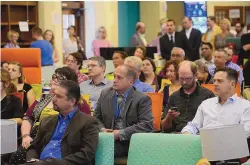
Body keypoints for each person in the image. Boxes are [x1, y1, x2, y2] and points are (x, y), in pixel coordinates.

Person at [10, 67, 91, 165]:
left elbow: (81, 130)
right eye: (54, 79)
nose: (54, 83)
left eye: (59, 80)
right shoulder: (45, 97)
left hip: (56, 140)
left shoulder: (78, 103)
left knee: (19, 155)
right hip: (34, 136)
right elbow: (28, 117)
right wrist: (26, 136)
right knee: (10, 153)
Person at [24, 80, 99, 165]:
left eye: (59, 96)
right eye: (54, 95)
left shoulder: (88, 122)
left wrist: (52, 163)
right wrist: (32, 160)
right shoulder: (47, 121)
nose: (53, 99)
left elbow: (87, 154)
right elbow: (33, 147)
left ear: (72, 101)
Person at [181, 68, 250, 150]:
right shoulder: (206, 104)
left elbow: (245, 132)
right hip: (204, 149)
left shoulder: (245, 106)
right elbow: (194, 126)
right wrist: (186, 133)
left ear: (232, 84)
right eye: (214, 81)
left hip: (231, 150)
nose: (215, 84)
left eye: (220, 81)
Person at [94, 65, 154, 158]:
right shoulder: (105, 93)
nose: (114, 80)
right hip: (106, 138)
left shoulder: (142, 98)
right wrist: (102, 129)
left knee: (99, 152)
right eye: (114, 76)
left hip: (129, 142)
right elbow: (96, 117)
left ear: (131, 81)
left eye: (119, 78)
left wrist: (121, 133)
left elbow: (147, 124)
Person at [161, 61, 214, 133]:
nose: (184, 82)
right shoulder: (174, 97)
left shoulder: (207, 95)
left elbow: (213, 123)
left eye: (188, 79)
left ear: (196, 75)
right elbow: (164, 127)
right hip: (176, 135)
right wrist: (169, 118)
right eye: (181, 79)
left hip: (198, 136)